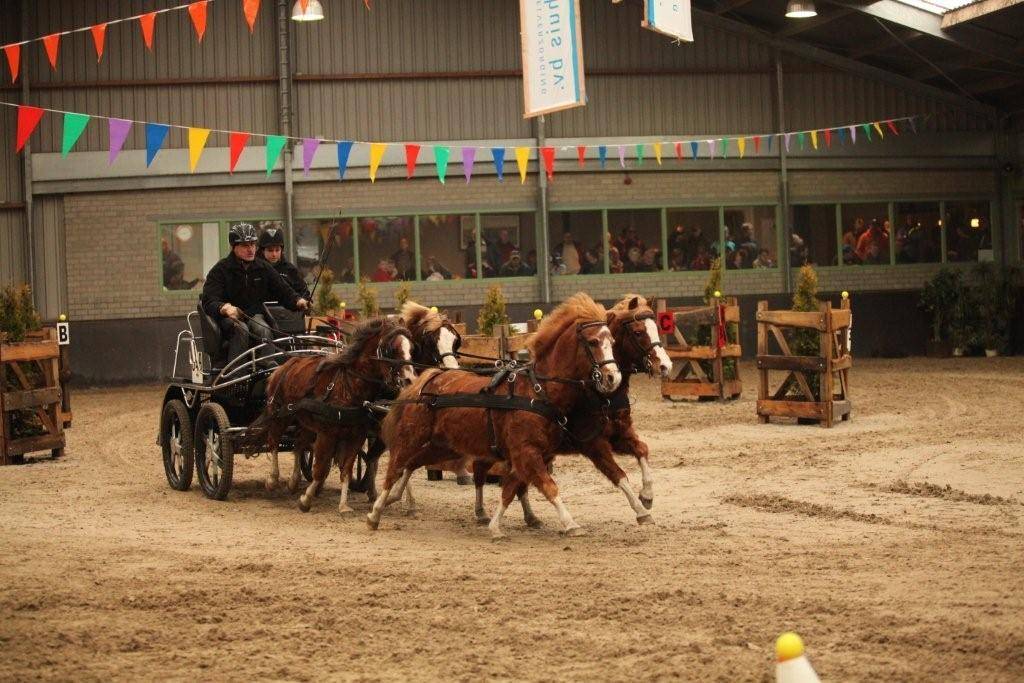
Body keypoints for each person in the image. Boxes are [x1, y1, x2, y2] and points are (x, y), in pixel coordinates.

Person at [201, 222, 308, 363]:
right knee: (241, 329)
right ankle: (235, 375)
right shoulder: (221, 270)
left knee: (264, 329)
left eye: (253, 244)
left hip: (254, 315)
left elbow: (283, 290)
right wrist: (224, 308)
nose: (251, 249)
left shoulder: (263, 267)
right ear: (234, 247)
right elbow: (208, 300)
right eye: (245, 245)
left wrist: (297, 301)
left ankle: (267, 370)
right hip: (229, 318)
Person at [257, 228, 311, 300]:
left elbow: (304, 292)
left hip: (287, 310)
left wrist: (304, 301)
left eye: (277, 250)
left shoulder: (290, 269)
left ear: (281, 250)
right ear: (262, 251)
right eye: (270, 250)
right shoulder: (254, 268)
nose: (274, 254)